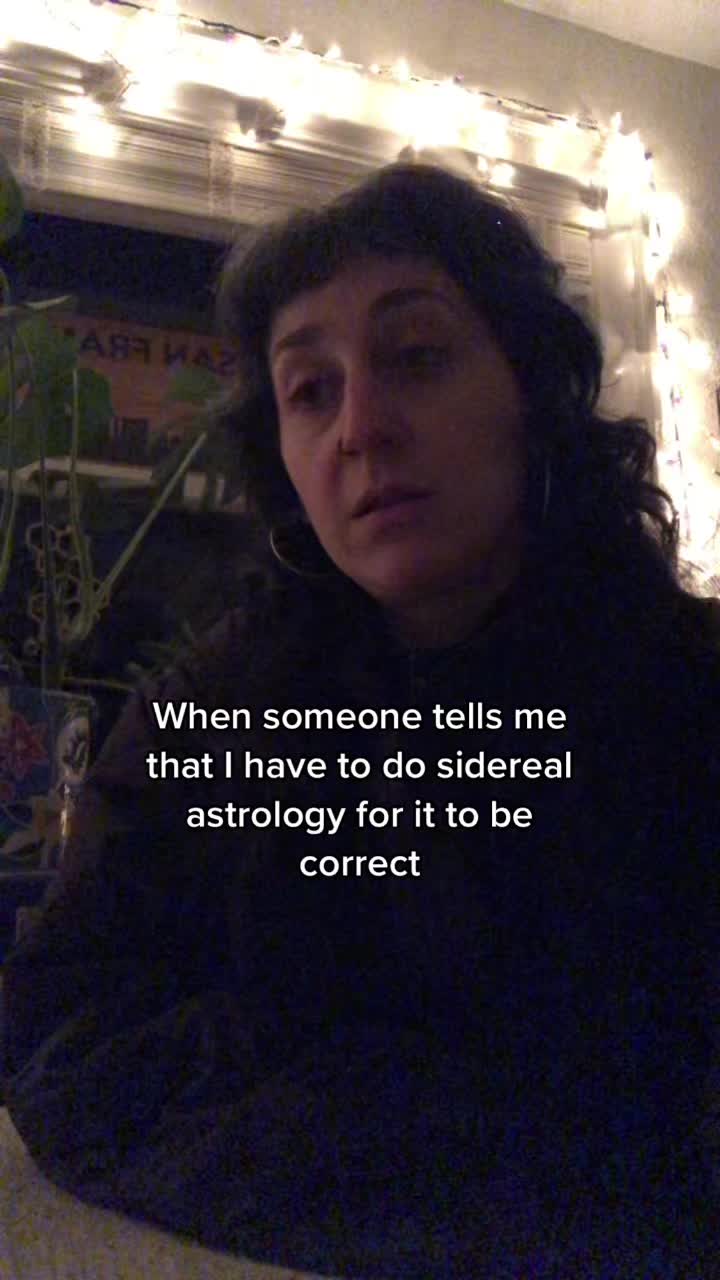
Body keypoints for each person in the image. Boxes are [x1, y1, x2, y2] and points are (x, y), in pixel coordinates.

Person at [2, 161, 720, 1279]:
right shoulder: (206, 721)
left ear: (532, 388)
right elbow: (60, 1030)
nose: (362, 427)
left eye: (417, 355)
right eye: (309, 390)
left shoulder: (690, 694)